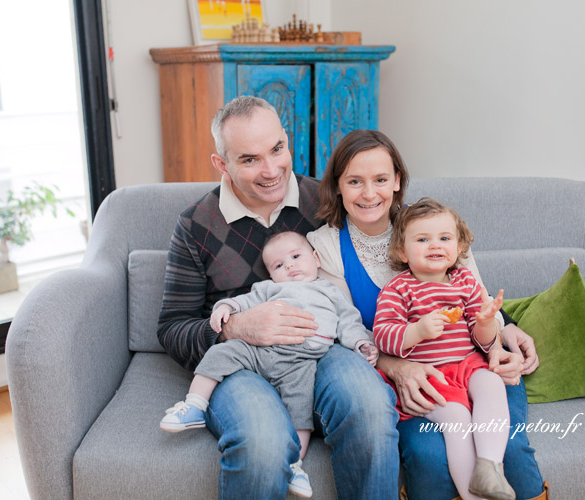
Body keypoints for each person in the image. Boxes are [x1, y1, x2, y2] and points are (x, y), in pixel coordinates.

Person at [157, 97, 400, 500]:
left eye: (277, 150)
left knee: (372, 409)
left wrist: (500, 328)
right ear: (222, 165)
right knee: (263, 443)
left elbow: (416, 245)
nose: (271, 171)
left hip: (323, 349)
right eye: (249, 160)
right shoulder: (195, 224)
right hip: (241, 364)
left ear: (289, 142)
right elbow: (171, 327)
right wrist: (235, 327)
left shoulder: (325, 201)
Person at [307, 129, 548, 500]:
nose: (370, 194)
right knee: (429, 457)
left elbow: (478, 303)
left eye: (381, 180)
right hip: (408, 372)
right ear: (337, 186)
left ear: (398, 181)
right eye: (355, 181)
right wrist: (396, 366)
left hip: (473, 362)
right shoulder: (325, 246)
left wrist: (501, 336)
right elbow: (345, 332)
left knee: (509, 450)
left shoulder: (435, 225)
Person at [161, 230, 379, 498]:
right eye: (278, 265)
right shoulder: (270, 289)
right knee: (223, 353)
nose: (289, 265)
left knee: (299, 411)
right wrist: (225, 308)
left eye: (296, 256)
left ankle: (295, 463)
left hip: (302, 361)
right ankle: (194, 405)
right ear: (271, 274)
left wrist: (361, 343)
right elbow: (244, 302)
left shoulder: (330, 291)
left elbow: (349, 322)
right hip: (261, 350)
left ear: (316, 258)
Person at [373, 198, 514, 500]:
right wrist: (417, 331)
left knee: (491, 383)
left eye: (444, 238)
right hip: (430, 376)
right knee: (457, 418)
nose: (434, 245)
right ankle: (473, 494)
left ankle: (490, 467)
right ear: (402, 251)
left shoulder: (465, 281)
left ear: (459, 247)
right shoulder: (398, 288)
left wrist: (487, 321)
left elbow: (483, 341)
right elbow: (383, 336)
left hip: (467, 363)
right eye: (422, 239)